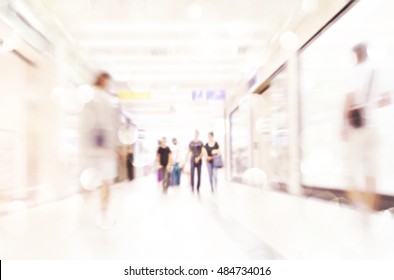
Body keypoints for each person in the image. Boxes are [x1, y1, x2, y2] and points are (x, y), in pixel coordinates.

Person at [342, 43, 391, 210]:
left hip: (357, 128)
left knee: (350, 167)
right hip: (373, 126)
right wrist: (370, 105)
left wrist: (344, 124)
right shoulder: (377, 73)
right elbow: (387, 99)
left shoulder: (356, 72)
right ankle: (370, 206)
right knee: (371, 168)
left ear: (356, 55)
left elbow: (350, 98)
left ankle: (359, 205)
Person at [80, 72, 118, 212]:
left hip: (102, 143)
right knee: (99, 175)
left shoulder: (106, 98)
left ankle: (103, 204)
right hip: (95, 142)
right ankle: (98, 202)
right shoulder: (94, 96)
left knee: (104, 177)